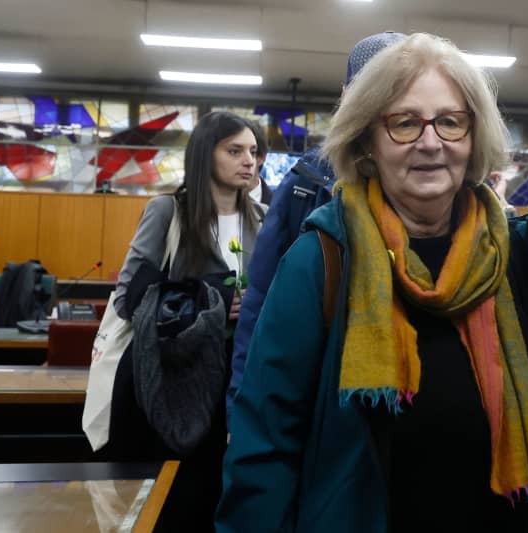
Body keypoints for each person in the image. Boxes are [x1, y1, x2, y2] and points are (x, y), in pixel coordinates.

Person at [218, 33, 528, 532]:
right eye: (405, 122)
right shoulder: (321, 260)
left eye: (451, 121)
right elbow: (264, 448)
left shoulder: (520, 255)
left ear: (473, 137)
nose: (431, 142)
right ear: (367, 140)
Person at [226, 31, 405, 427]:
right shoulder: (309, 180)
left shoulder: (434, 185)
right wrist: (242, 407)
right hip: (314, 392)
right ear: (347, 97)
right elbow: (260, 300)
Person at [107, 110, 265, 532]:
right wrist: (213, 297)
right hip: (176, 378)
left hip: (239, 378)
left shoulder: (264, 218)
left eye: (252, 151)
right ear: (204, 156)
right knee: (176, 502)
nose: (249, 160)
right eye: (234, 151)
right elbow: (129, 300)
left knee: (224, 497)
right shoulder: (168, 212)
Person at [246, 120, 273, 206]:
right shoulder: (208, 202)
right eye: (234, 152)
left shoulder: (279, 207)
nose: (244, 160)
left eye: (252, 152)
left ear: (261, 157)